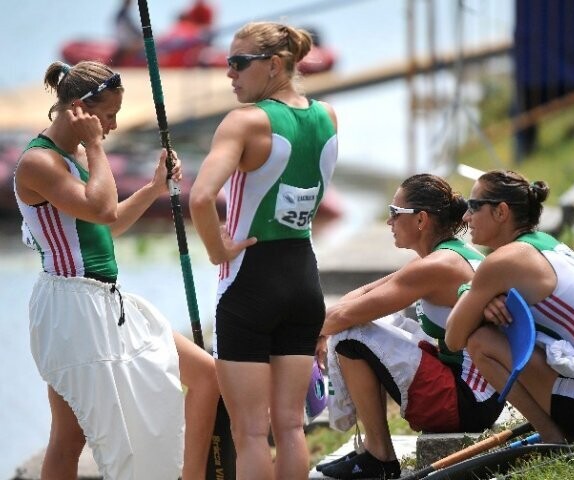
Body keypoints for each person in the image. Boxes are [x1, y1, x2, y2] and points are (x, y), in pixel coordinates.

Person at [13, 60, 219, 480]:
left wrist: (154, 187)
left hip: (108, 299)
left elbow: (110, 223)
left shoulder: (75, 158)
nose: (113, 125)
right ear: (79, 109)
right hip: (71, 307)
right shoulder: (40, 162)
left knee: (206, 376)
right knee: (69, 438)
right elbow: (103, 207)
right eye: (108, 116)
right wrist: (96, 146)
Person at [189, 21, 338, 480]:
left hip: (249, 281)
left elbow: (199, 198)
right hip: (303, 278)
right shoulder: (327, 115)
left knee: (251, 432)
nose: (229, 74)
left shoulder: (245, 121)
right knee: (292, 425)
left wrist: (218, 251)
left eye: (238, 63)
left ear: (274, 65)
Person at [315, 174, 504, 480]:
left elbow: (346, 315)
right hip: (480, 395)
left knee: (350, 335)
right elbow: (357, 297)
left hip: (466, 402)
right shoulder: (446, 256)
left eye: (394, 213)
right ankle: (371, 450)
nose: (389, 221)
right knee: (358, 324)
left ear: (420, 220)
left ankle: (379, 457)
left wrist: (307, 336)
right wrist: (328, 325)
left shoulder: (438, 266)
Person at [445, 169, 574, 444]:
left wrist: (473, 293)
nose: (466, 217)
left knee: (480, 341)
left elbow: (453, 338)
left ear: (501, 212)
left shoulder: (504, 260)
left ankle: (552, 436)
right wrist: (480, 296)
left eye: (473, 206)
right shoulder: (543, 243)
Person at [112, 0, 143, 65]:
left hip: (122, 43)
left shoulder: (119, 14)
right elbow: (133, 29)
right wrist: (142, 35)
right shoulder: (125, 15)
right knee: (147, 44)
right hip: (128, 43)